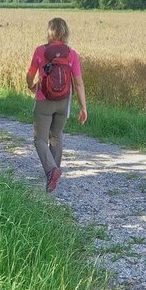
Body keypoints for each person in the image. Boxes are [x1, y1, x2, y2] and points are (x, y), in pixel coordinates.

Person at [26, 17, 87, 193]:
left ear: (49, 32)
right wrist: (83, 107)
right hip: (63, 102)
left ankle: (52, 171)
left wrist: (31, 85)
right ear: (65, 33)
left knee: (40, 139)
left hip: (44, 100)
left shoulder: (40, 51)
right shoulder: (72, 54)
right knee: (56, 136)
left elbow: (30, 75)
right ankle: (53, 174)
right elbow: (79, 83)